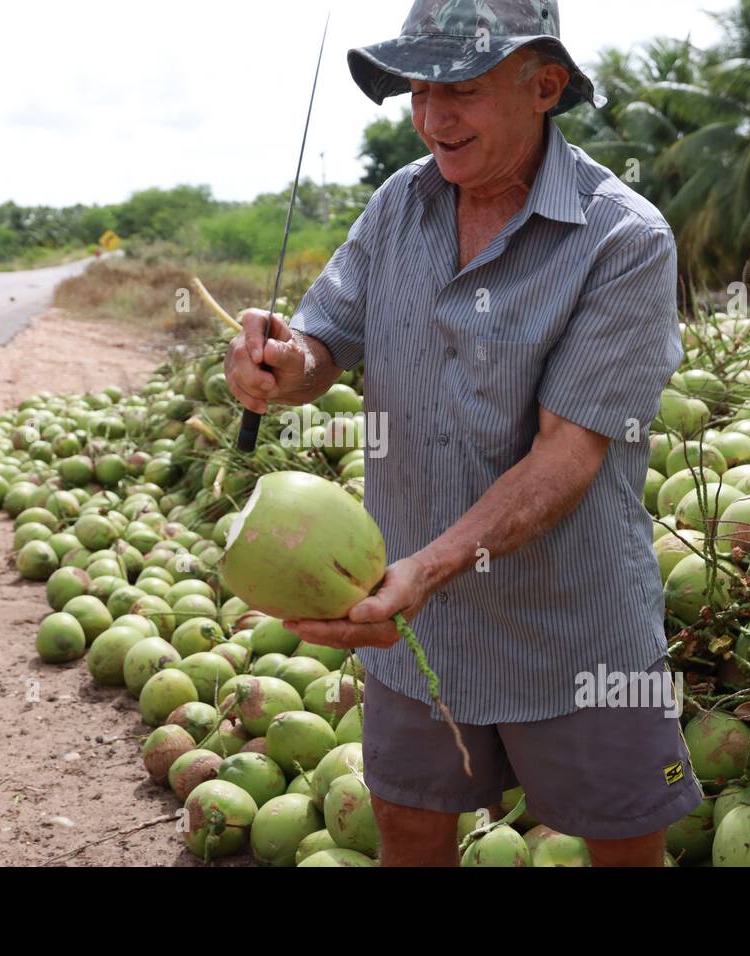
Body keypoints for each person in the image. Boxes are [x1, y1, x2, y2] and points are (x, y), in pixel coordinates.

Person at [225, 0, 702, 866]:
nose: (434, 118)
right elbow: (326, 340)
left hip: (572, 628)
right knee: (408, 825)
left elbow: (569, 452)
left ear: (545, 87)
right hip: (413, 625)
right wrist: (283, 363)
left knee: (622, 841)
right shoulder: (397, 208)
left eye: (464, 89)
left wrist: (432, 567)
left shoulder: (622, 239)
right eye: (418, 89)